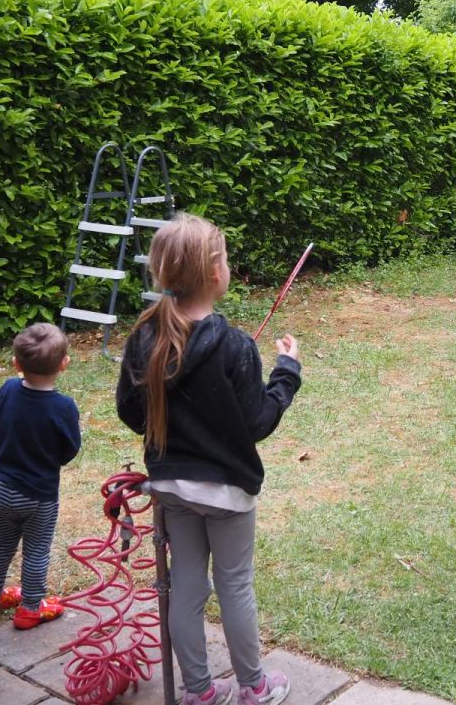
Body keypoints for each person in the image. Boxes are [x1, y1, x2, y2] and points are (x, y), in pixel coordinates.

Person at [117, 213, 301, 705]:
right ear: (215, 273)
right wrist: (287, 372)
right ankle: (254, 687)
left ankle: (198, 692)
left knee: (186, 587)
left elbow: (130, 412)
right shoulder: (235, 346)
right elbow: (258, 423)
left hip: (172, 489)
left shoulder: (144, 336)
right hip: (226, 493)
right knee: (234, 585)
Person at [0, 322, 82, 630]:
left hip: (4, 489)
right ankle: (31, 608)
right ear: (64, 364)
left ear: (16, 363)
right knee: (36, 551)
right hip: (40, 497)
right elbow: (70, 448)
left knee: (0, 545)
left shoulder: (8, 389)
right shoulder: (63, 406)